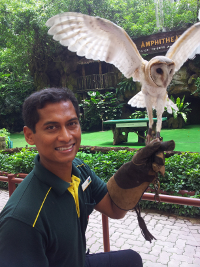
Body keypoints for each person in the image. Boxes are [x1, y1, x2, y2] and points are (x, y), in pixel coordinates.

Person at [0, 87, 173, 267]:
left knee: (131, 260)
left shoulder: (79, 169)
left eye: (72, 124)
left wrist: (136, 172)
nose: (66, 136)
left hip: (78, 260)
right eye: (51, 127)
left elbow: (115, 210)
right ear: (29, 135)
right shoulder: (21, 221)